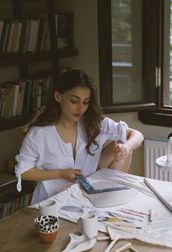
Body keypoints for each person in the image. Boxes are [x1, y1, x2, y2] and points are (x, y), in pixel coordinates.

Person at [15, 69, 144, 205]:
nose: (80, 108)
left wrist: (127, 147)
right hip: (52, 201)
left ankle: (109, 199)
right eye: (74, 101)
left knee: (122, 143)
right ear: (58, 96)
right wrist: (60, 173)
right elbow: (23, 171)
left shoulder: (93, 123)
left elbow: (136, 135)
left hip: (85, 198)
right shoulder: (39, 133)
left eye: (85, 102)